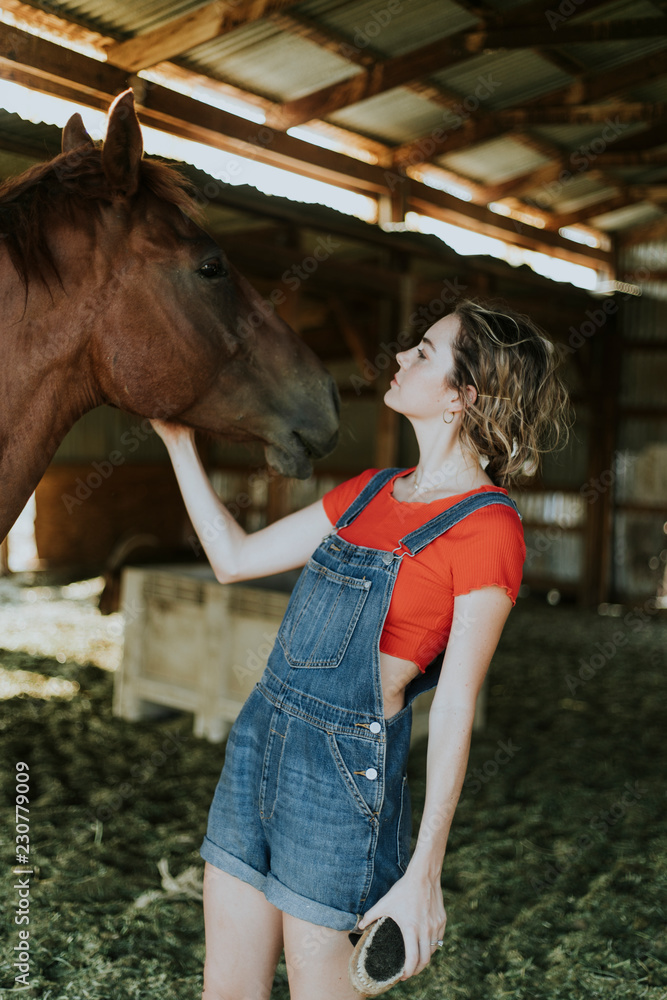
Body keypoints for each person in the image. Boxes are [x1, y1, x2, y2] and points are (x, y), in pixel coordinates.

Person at [151, 297, 570, 1000]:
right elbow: (233, 557)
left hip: (340, 776)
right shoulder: (367, 491)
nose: (401, 357)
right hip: (259, 738)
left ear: (460, 397)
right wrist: (176, 442)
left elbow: (456, 706)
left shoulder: (488, 529)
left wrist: (424, 872)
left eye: (424, 354)